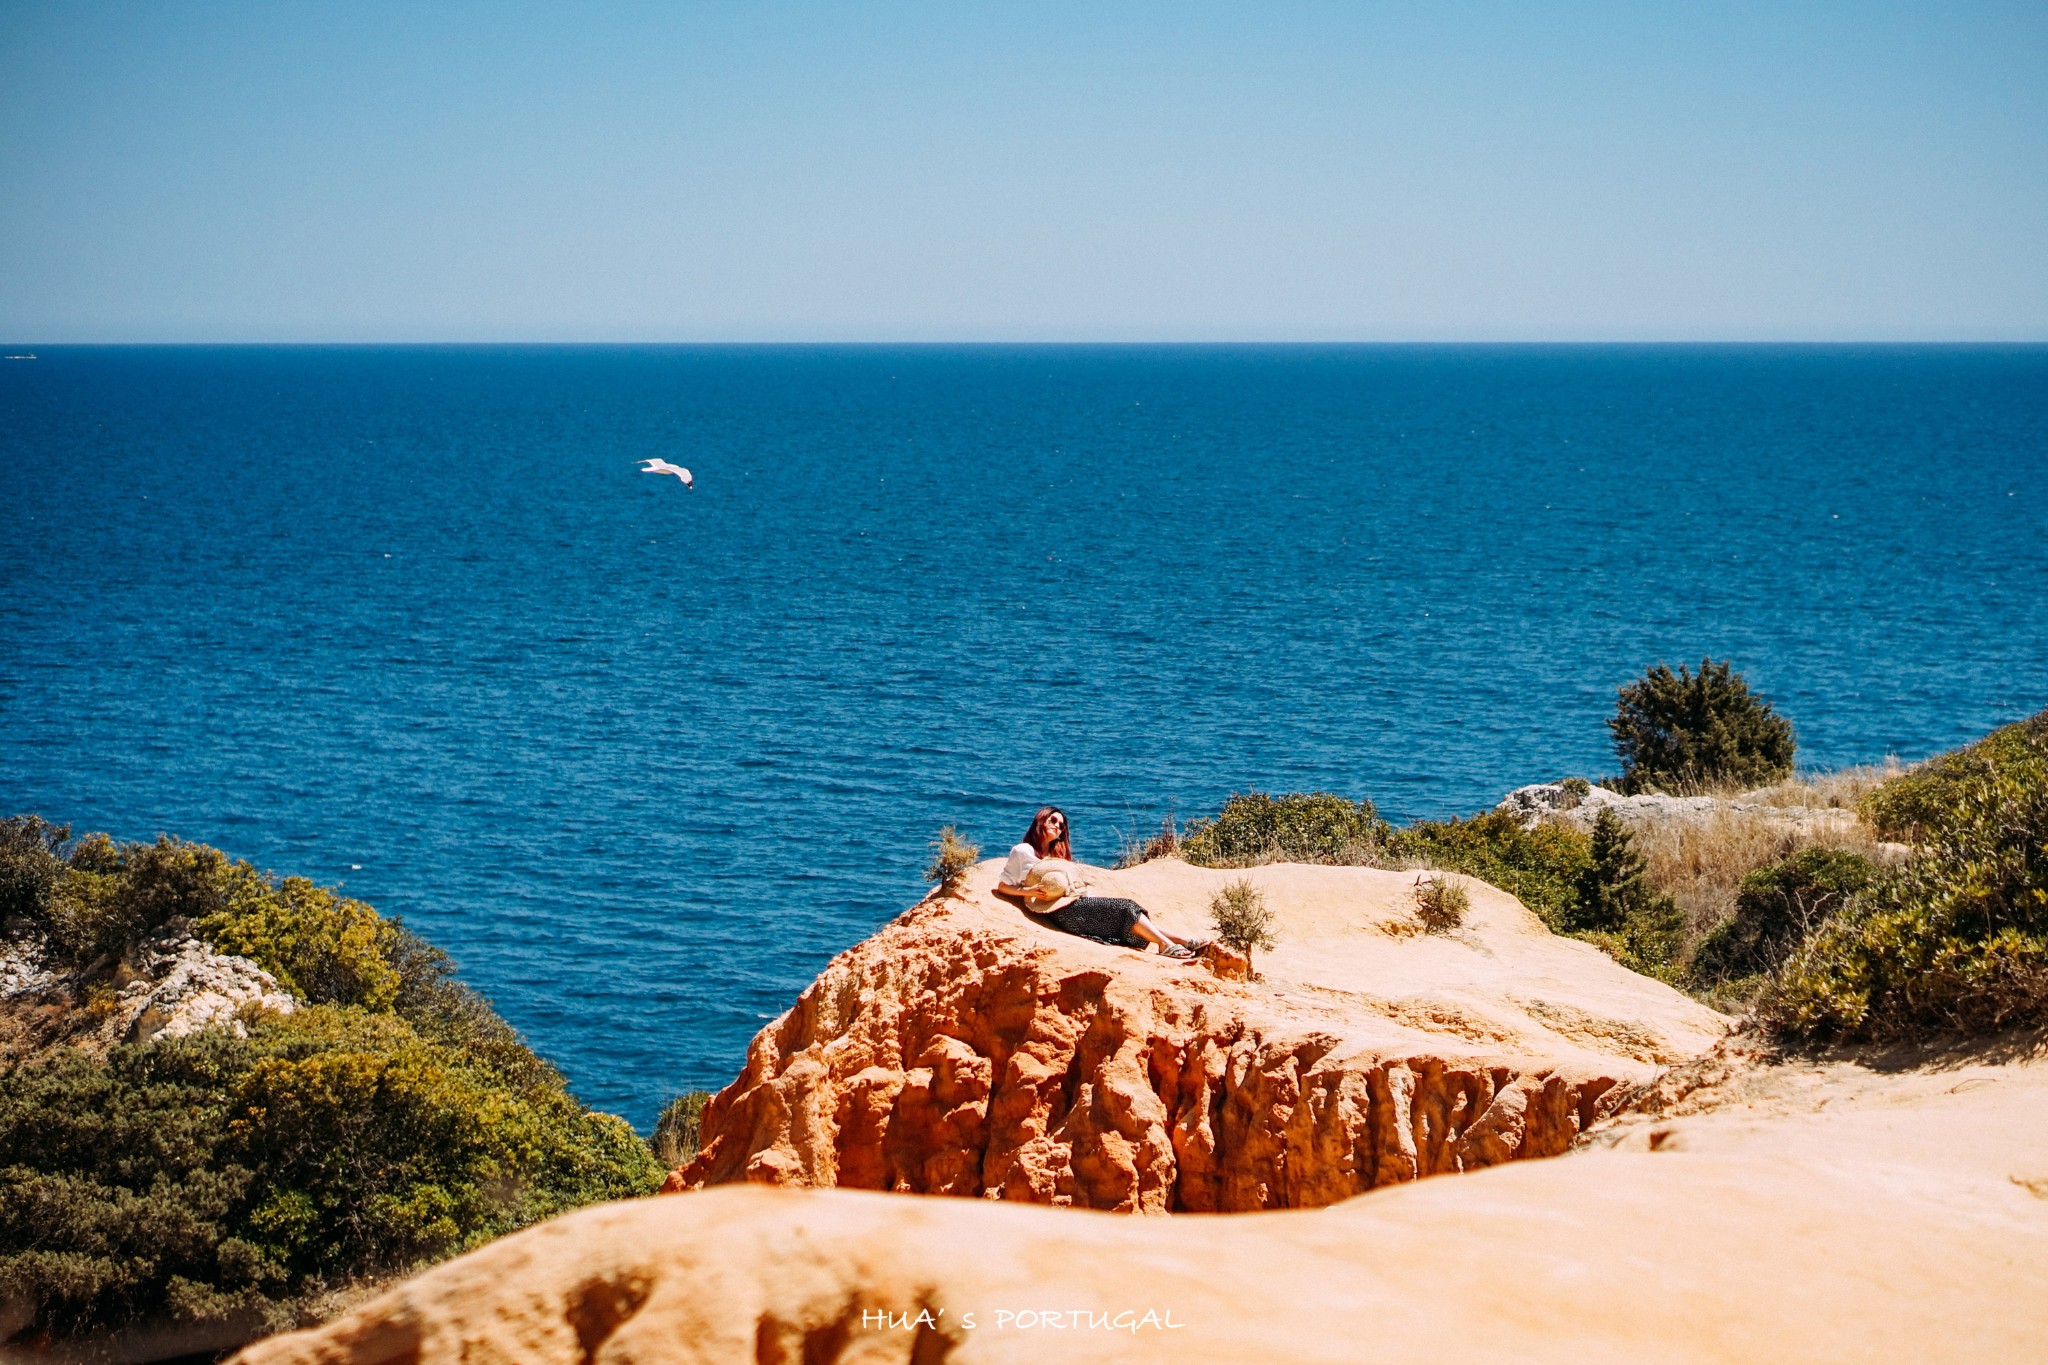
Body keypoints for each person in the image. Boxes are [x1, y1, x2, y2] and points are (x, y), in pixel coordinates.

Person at [995, 806, 1209, 959]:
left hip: (1074, 904)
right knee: (1126, 908)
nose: (1057, 826)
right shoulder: (1023, 851)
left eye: (1061, 825)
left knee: (1129, 918)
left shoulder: (1057, 858)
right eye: (1052, 820)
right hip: (1057, 911)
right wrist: (1028, 891)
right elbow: (1003, 886)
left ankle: (1181, 940)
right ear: (1040, 820)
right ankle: (1164, 944)